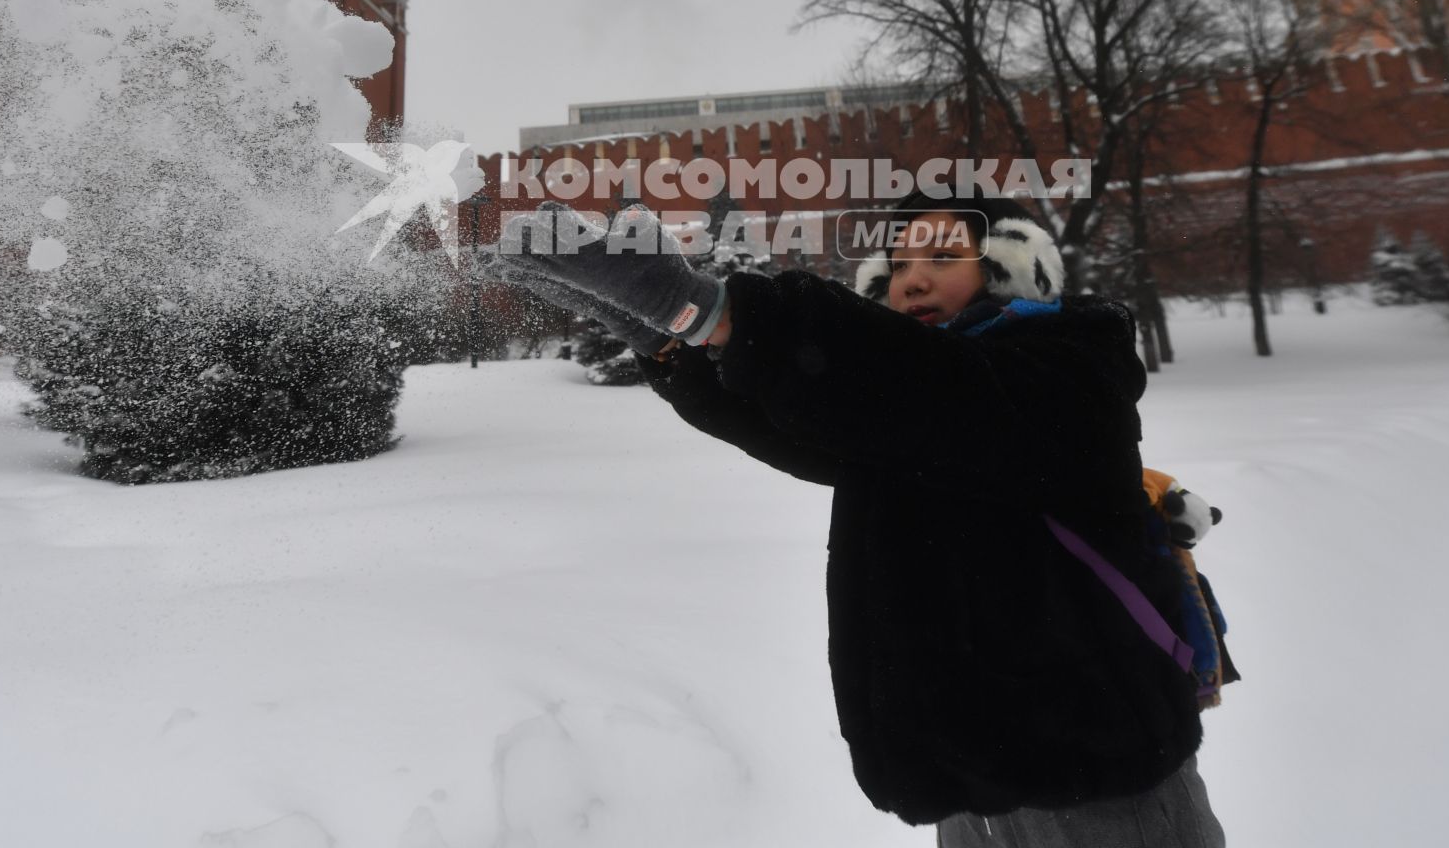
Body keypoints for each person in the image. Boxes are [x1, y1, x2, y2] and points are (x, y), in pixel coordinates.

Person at [482, 189, 1224, 846]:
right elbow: (793, 419)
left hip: (1103, 785)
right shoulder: (898, 417)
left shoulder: (1069, 371)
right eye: (898, 267)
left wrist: (710, 307)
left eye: (942, 256)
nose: (914, 278)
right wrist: (662, 333)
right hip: (969, 788)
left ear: (1011, 267)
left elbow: (934, 395)